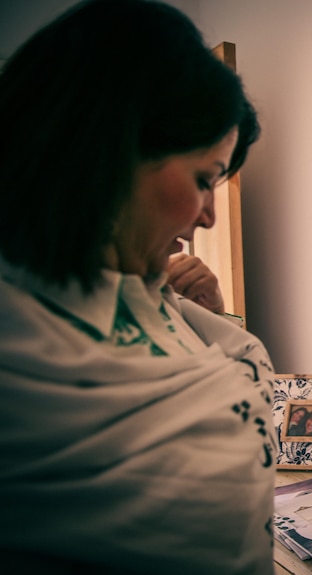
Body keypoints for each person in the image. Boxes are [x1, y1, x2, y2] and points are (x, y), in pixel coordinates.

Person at [0, 1, 277, 573]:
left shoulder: (154, 296)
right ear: (108, 149)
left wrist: (214, 315)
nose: (208, 218)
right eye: (203, 179)